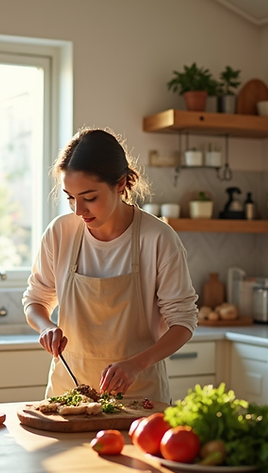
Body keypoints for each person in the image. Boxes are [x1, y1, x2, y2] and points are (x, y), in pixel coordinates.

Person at [22, 128, 198, 404]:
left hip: (139, 398)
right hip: (69, 394)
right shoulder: (60, 233)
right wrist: (45, 326)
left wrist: (136, 365)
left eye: (89, 198)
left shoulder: (158, 238)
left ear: (120, 184)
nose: (78, 210)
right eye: (70, 197)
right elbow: (35, 301)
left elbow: (183, 322)